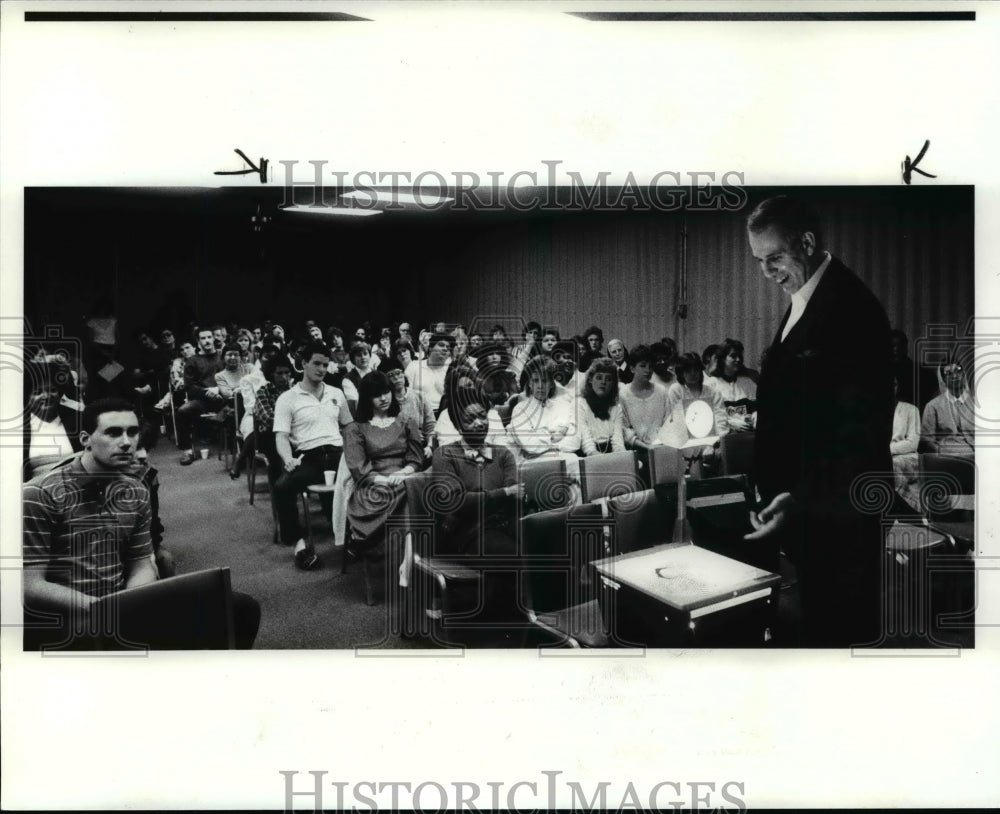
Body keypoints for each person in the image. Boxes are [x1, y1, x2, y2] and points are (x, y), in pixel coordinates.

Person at [745, 195, 893, 647]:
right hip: (814, 515)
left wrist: (800, 496)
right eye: (759, 260)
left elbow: (859, 434)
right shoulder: (807, 297)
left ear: (807, 242)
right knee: (822, 628)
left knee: (839, 637)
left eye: (774, 258)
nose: (767, 272)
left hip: (840, 517)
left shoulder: (851, 308)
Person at [23, 398, 260, 650]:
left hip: (118, 602)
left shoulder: (135, 491)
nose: (126, 442)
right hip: (69, 614)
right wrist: (101, 608)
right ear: (85, 439)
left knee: (239, 608)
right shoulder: (38, 495)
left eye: (132, 432)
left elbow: (140, 565)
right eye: (113, 433)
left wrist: (133, 603)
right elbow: (31, 587)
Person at [272, 341, 354, 569]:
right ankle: (299, 545)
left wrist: (355, 454)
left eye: (326, 365)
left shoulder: (336, 393)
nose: (322, 369)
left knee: (364, 478)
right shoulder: (287, 398)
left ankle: (355, 538)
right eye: (316, 363)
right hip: (309, 456)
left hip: (338, 454)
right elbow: (281, 436)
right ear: (303, 363)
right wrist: (287, 458)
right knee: (282, 486)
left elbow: (348, 428)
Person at [431, 373, 522, 557]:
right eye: (470, 419)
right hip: (467, 535)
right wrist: (502, 493)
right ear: (458, 427)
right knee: (514, 556)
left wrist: (479, 499)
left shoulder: (503, 454)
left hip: (504, 526)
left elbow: (515, 496)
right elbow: (454, 501)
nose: (479, 423)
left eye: (482, 416)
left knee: (551, 549)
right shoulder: (444, 454)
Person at [343, 371, 423, 552]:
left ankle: (406, 559)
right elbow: (359, 467)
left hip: (404, 475)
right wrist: (384, 479)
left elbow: (416, 458)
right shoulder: (355, 429)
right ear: (366, 398)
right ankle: (407, 557)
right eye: (376, 395)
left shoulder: (406, 421)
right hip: (373, 484)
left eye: (386, 392)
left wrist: (403, 473)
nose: (383, 398)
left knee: (413, 487)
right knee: (411, 493)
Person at [506, 356, 580, 461]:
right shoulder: (520, 409)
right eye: (536, 380)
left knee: (574, 460)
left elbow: (575, 441)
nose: (540, 386)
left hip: (561, 455)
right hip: (532, 462)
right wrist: (554, 436)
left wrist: (544, 440)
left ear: (551, 384)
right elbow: (530, 446)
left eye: (545, 381)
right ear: (530, 384)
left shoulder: (563, 406)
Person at [176, 328, 226, 465]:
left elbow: (232, 377)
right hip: (202, 401)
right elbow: (190, 387)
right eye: (203, 338)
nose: (207, 340)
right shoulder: (192, 361)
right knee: (182, 411)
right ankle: (187, 451)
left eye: (209, 337)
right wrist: (207, 392)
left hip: (224, 398)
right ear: (198, 342)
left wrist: (219, 389)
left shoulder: (222, 357)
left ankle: (243, 449)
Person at [618, 344, 671, 451]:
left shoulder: (661, 391)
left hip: (661, 448)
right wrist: (645, 446)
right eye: (643, 366)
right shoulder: (623, 395)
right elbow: (624, 429)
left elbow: (669, 422)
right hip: (636, 450)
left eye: (650, 366)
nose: (648, 370)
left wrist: (658, 444)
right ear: (632, 368)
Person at [920, 359, 975, 456]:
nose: (954, 376)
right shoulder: (933, 406)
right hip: (947, 456)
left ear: (964, 374)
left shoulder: (976, 403)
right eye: (948, 373)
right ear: (943, 379)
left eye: (958, 371)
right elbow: (926, 439)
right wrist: (940, 451)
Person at [706, 338, 758, 432]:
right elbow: (707, 417)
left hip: (747, 437)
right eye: (733, 356)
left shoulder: (748, 383)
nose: (738, 360)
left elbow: (757, 408)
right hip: (723, 439)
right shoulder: (710, 385)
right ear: (722, 359)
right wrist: (729, 424)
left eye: (740, 356)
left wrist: (756, 415)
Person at [579, 358, 626, 456]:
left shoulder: (616, 408)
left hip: (612, 454)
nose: (603, 382)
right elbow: (586, 442)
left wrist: (622, 457)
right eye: (599, 378)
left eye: (608, 379)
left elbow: (618, 442)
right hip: (589, 454)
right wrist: (600, 459)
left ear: (613, 384)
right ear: (590, 380)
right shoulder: (580, 404)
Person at [890, 376, 921, 513]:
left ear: (898, 387)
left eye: (894, 384)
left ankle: (911, 510)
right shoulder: (873, 410)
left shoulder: (910, 410)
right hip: (885, 456)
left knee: (892, 465)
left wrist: (886, 450)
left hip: (908, 457)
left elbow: (912, 443)